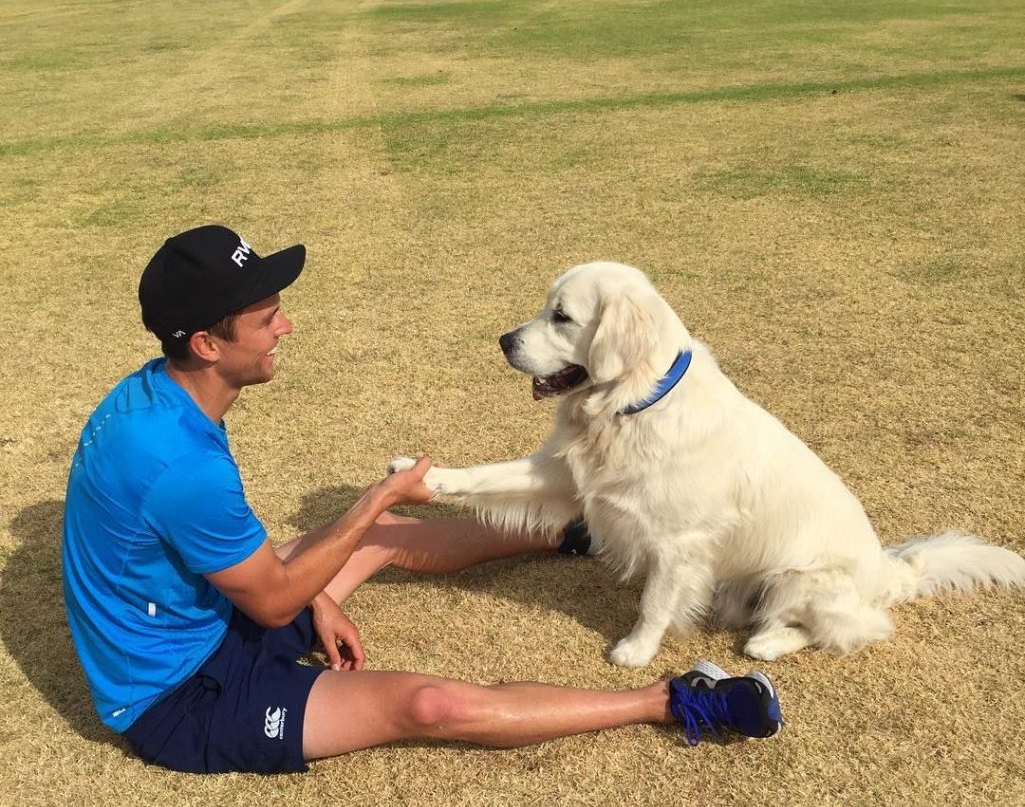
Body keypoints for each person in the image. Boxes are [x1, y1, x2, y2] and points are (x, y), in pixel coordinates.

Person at [61, 225, 784, 775]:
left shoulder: (160, 395)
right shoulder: (177, 462)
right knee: (430, 705)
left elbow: (238, 570)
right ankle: (670, 700)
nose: (286, 326)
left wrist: (317, 585)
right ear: (207, 346)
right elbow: (273, 601)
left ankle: (568, 531)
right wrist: (373, 500)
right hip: (181, 697)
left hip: (216, 611)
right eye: (264, 317)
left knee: (375, 541)